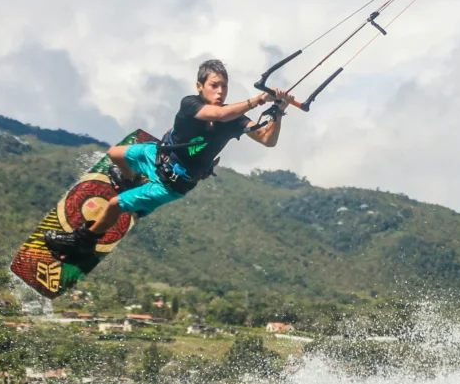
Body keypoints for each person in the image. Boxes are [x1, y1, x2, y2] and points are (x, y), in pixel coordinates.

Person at [45, 59, 288, 258]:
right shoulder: (191, 104)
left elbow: (268, 139)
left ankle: (84, 241)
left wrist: (278, 111)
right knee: (114, 154)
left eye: (224, 86)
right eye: (214, 85)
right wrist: (257, 100)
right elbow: (218, 114)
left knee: (115, 204)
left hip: (172, 183)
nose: (220, 91)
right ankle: (131, 181)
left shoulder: (236, 119)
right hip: (156, 155)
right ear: (199, 86)